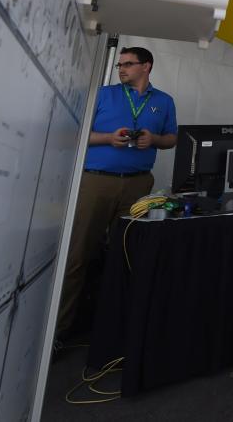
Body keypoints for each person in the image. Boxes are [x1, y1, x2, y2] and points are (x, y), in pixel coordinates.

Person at [56, 46, 177, 339]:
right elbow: (77, 132)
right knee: (78, 256)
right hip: (96, 182)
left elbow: (171, 138)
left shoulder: (163, 101)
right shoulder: (103, 94)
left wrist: (154, 139)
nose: (121, 69)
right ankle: (59, 332)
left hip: (138, 184)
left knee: (126, 254)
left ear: (146, 66)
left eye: (128, 64)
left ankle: (113, 329)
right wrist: (109, 138)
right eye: (119, 64)